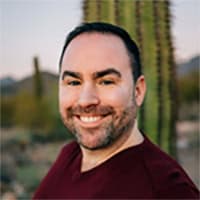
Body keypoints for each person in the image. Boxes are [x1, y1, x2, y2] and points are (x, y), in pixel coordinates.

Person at [33, 22, 199, 199]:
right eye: (74, 82)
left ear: (138, 91)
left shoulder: (168, 191)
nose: (86, 100)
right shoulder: (70, 154)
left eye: (106, 81)